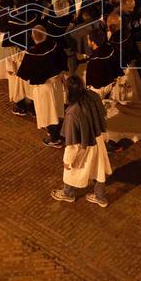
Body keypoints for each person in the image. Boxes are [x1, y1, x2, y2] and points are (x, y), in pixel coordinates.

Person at [50, 76, 113, 207]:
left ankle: (68, 193)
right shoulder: (93, 95)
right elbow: (102, 114)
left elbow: (72, 144)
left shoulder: (73, 113)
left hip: (84, 145)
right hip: (98, 138)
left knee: (71, 170)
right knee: (98, 168)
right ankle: (100, 197)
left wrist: (67, 161)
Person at [17, 25, 68, 148]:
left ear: (33, 37)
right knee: (57, 109)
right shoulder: (55, 46)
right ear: (45, 35)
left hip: (43, 88)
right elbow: (64, 63)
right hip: (56, 83)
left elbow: (23, 74)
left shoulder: (32, 53)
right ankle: (57, 131)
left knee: (48, 113)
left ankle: (55, 139)